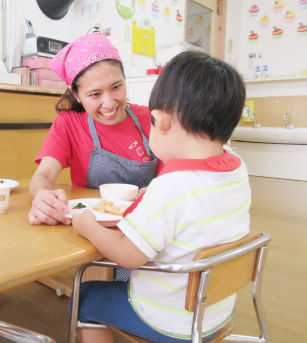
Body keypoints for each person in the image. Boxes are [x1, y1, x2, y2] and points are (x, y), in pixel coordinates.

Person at [72, 51, 249, 343]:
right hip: (215, 312)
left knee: (86, 295)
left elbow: (128, 256)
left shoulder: (171, 187)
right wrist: (151, 195)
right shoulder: (237, 170)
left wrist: (87, 225)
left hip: (171, 322)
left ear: (160, 122)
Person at [28, 32, 159, 227]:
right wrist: (42, 198)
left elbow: (175, 172)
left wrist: (154, 190)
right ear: (77, 95)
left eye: (116, 87)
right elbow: (44, 175)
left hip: (145, 226)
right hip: (89, 228)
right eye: (95, 94)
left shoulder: (149, 118)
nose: (108, 103)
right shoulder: (68, 124)